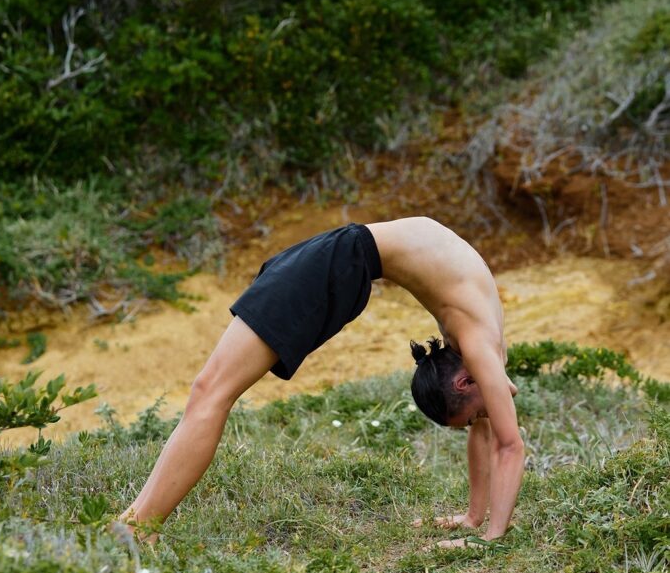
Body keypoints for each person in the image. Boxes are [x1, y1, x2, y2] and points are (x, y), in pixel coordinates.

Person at [115, 217, 524, 546]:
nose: (483, 416)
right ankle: (138, 529)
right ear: (464, 383)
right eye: (475, 415)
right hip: (334, 263)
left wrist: (473, 518)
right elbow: (508, 444)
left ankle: (134, 525)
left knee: (208, 391)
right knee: (211, 392)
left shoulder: (479, 349)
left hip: (339, 256)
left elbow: (488, 434)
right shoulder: (478, 344)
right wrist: (493, 536)